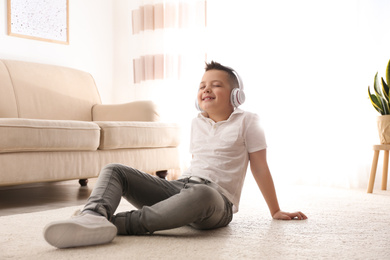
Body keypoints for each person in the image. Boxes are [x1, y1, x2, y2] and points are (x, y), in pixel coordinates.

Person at [43, 61, 307, 249]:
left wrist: (275, 210)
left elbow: (260, 167)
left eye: (216, 85)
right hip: (183, 188)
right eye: (202, 85)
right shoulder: (196, 123)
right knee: (114, 170)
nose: (206, 89)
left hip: (216, 202)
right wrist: (173, 195)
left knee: (201, 194)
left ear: (236, 96)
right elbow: (195, 165)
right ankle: (93, 217)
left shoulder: (249, 121)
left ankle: (115, 223)